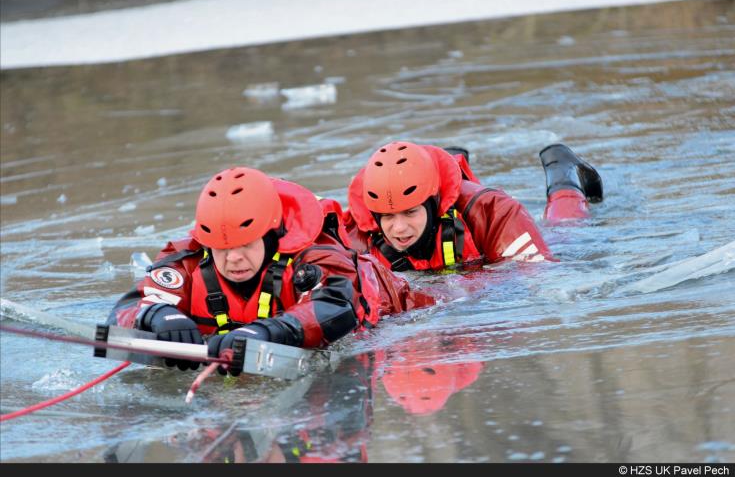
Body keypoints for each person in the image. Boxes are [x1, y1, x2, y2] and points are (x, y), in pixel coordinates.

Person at [106, 167, 435, 374]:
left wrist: (268, 332)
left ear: (270, 236)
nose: (234, 258)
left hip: (398, 304)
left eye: (245, 245)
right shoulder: (188, 259)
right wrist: (158, 315)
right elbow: (123, 311)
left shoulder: (317, 255)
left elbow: (336, 307)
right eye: (223, 249)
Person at [344, 141, 603, 272]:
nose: (399, 228)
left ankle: (563, 171)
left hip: (483, 235)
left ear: (434, 203)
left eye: (411, 212)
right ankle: (453, 159)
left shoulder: (494, 210)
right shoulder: (356, 233)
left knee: (567, 234)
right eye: (387, 217)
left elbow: (539, 276)